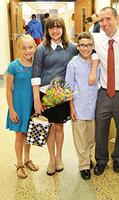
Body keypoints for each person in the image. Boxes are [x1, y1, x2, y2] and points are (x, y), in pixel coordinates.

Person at [31, 16, 99, 176]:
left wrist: (94, 68)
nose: (55, 31)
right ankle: (52, 159)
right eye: (51, 28)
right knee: (49, 128)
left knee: (59, 127)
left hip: (62, 93)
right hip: (45, 94)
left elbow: (91, 51)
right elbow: (35, 74)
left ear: (63, 29)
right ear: (47, 30)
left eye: (58, 27)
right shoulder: (42, 48)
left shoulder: (71, 47)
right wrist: (36, 100)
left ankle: (60, 156)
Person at [89, 7, 119, 176]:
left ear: (118, 19)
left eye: (108, 19)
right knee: (100, 128)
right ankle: (101, 160)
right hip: (103, 92)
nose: (104, 23)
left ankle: (118, 158)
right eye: (101, 20)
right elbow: (77, 44)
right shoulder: (96, 39)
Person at [65, 32, 99, 180]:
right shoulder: (73, 63)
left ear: (93, 46)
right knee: (80, 137)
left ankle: (89, 157)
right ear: (77, 46)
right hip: (79, 105)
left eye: (89, 45)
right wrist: (71, 107)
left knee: (91, 137)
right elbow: (68, 87)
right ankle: (83, 165)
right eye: (83, 45)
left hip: (94, 106)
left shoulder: (96, 62)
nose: (86, 48)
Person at [6, 34, 39, 179]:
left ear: (35, 47)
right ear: (19, 49)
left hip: (31, 105)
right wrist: (11, 110)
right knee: (19, 134)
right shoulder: (14, 66)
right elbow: (8, 89)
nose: (27, 51)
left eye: (30, 47)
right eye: (24, 48)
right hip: (18, 105)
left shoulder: (37, 65)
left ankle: (27, 158)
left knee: (28, 134)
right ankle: (19, 163)